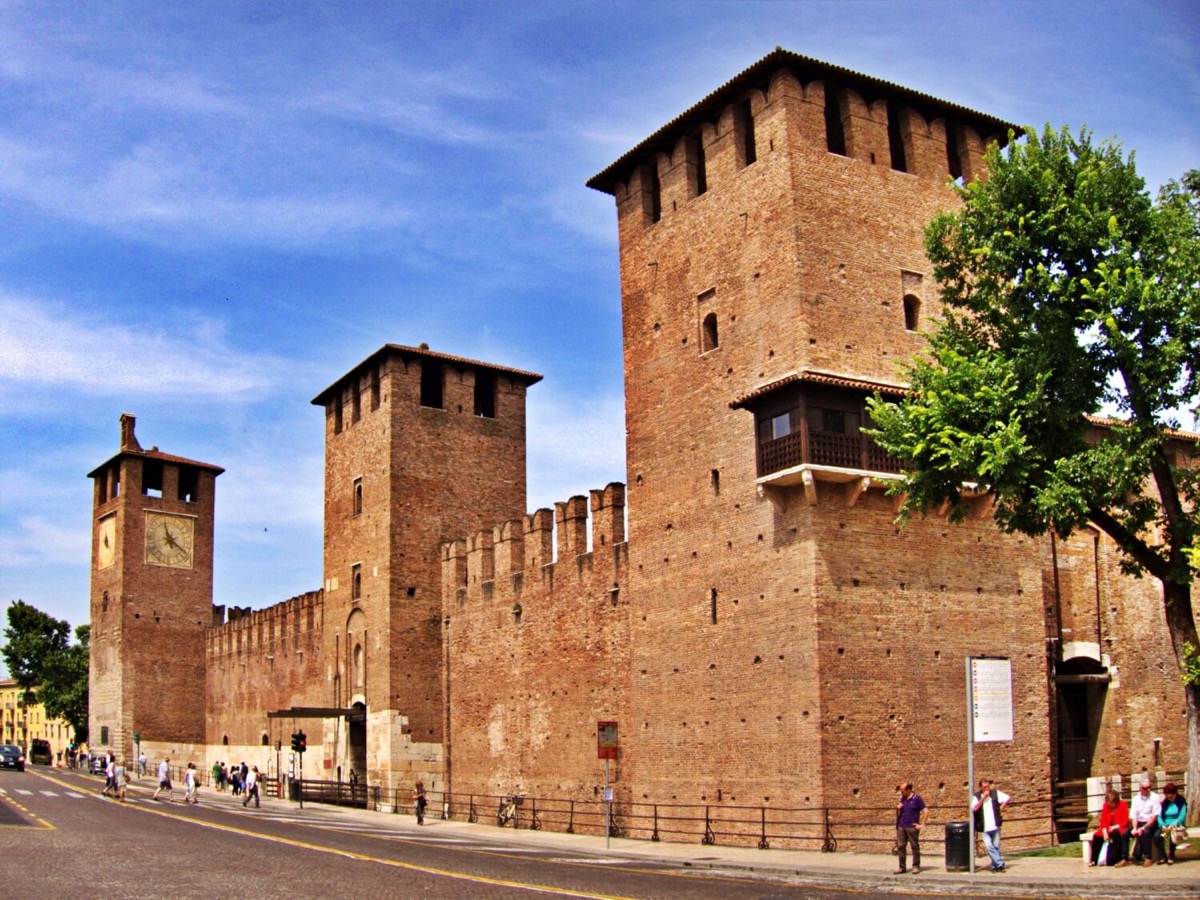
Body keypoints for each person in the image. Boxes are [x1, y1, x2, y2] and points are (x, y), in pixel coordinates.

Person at [972, 778, 1011, 872]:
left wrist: (1000, 808)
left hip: (995, 825)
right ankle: (1000, 863)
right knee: (989, 846)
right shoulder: (976, 796)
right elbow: (974, 808)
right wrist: (983, 798)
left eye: (988, 786)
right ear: (980, 787)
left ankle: (996, 866)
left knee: (996, 846)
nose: (987, 789)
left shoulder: (995, 793)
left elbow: (1007, 798)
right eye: (984, 787)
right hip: (985, 826)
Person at [1090, 788, 1130, 867]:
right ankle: (1094, 859)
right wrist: (1105, 832)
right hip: (1107, 828)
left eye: (1111, 803)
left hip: (1119, 828)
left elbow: (1126, 821)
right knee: (1097, 836)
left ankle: (1116, 858)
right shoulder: (1106, 805)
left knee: (1116, 834)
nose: (1110, 805)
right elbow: (1103, 821)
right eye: (1108, 802)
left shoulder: (1123, 805)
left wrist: (1116, 826)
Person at [894, 782, 928, 874]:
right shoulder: (903, 798)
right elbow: (900, 808)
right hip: (902, 826)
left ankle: (916, 866)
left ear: (908, 790)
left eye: (902, 791)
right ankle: (902, 867)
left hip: (912, 827)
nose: (901, 793)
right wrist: (899, 807)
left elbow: (926, 811)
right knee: (901, 846)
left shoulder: (917, 799)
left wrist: (922, 824)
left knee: (914, 846)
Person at [1129, 780, 1162, 866]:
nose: (1148, 789)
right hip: (1140, 822)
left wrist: (1143, 828)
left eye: (1149, 787)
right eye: (1145, 788)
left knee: (1148, 833)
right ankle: (1125, 857)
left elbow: (1155, 816)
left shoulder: (1155, 797)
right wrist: (1135, 828)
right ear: (1140, 789)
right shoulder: (1135, 799)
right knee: (1125, 833)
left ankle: (1148, 857)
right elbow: (1134, 815)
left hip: (1152, 823)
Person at [1156, 782, 1187, 865]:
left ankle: (1171, 856)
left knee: (1172, 836)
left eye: (1171, 797)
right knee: (1158, 836)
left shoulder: (1181, 802)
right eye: (1167, 797)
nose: (1169, 798)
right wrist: (1162, 824)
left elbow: (1181, 817)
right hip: (1166, 826)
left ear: (1175, 794)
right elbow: (1160, 815)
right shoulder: (1165, 803)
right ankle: (1163, 856)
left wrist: (1172, 825)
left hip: (1176, 825)